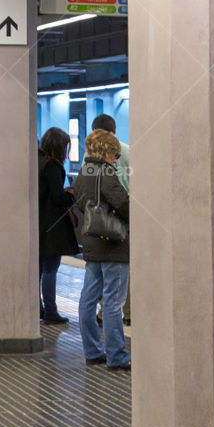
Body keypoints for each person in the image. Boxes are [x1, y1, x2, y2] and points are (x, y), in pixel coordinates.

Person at [74, 129, 131, 370]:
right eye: (115, 156)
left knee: (88, 298)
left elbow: (78, 201)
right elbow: (124, 204)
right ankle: (117, 356)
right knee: (113, 302)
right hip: (112, 244)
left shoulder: (84, 172)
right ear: (107, 152)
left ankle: (93, 351)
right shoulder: (106, 172)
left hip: (92, 242)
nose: (116, 160)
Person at [91, 113, 132, 325]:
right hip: (127, 215)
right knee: (124, 266)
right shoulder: (129, 151)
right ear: (114, 132)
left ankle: (103, 311)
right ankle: (129, 312)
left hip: (104, 218)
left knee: (106, 268)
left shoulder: (91, 155)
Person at [37, 128, 78, 324]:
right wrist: (70, 193)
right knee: (50, 268)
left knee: (38, 268)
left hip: (37, 223)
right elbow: (57, 197)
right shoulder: (52, 166)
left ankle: (38, 307)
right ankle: (52, 311)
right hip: (51, 226)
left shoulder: (36, 162)